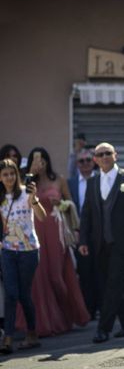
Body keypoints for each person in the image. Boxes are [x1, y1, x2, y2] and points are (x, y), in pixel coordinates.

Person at [78, 142, 124, 343]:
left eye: (108, 153)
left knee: (113, 283)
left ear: (115, 155)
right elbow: (87, 214)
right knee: (109, 285)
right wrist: (83, 240)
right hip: (100, 242)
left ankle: (103, 329)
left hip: (123, 242)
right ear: (95, 160)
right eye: (101, 154)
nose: (105, 156)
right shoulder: (93, 182)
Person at [17, 147, 89, 337]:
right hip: (34, 231)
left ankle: (68, 314)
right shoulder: (27, 181)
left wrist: (62, 205)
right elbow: (20, 201)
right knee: (38, 278)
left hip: (56, 231)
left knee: (56, 277)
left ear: (48, 161)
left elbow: (71, 204)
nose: (40, 164)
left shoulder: (59, 179)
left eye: (42, 160)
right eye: (35, 160)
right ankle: (45, 322)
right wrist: (31, 174)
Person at [0, 158, 46, 354]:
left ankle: (32, 333)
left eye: (12, 173)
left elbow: (42, 216)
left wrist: (34, 198)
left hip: (29, 250)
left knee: (24, 294)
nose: (9, 177)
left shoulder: (26, 193)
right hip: (8, 250)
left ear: (17, 174)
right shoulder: (1, 198)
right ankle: (8, 338)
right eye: (5, 175)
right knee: (11, 294)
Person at [68, 148, 100, 319]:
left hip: (101, 233)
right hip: (81, 234)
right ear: (77, 164)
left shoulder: (101, 179)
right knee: (85, 273)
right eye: (81, 161)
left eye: (88, 160)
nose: (86, 163)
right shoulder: (71, 183)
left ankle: (104, 307)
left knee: (102, 271)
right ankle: (89, 309)